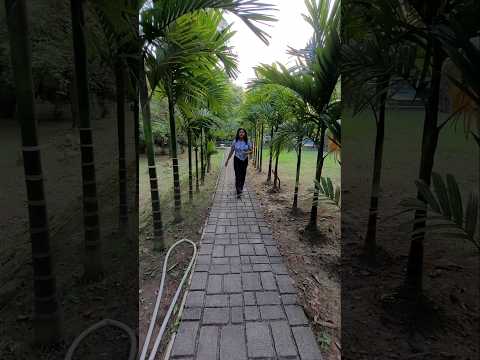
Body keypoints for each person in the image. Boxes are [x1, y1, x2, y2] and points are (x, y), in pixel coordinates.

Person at [225, 128, 253, 197]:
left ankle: (241, 187)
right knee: (237, 174)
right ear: (238, 133)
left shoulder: (247, 141)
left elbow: (251, 150)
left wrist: (246, 152)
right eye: (240, 132)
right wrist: (227, 160)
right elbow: (231, 151)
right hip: (237, 159)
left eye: (243, 132)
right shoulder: (235, 141)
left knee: (243, 174)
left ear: (245, 134)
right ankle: (238, 190)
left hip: (244, 160)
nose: (241, 133)